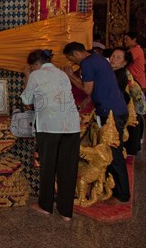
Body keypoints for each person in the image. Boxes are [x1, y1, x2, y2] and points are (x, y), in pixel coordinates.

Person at [63, 42, 130, 203]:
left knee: (113, 151)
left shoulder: (87, 63)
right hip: (114, 109)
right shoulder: (97, 58)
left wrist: (71, 76)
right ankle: (116, 188)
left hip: (111, 113)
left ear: (76, 54)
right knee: (110, 151)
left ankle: (123, 192)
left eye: (70, 58)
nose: (72, 62)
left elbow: (87, 89)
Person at [20, 49, 80, 221]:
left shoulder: (36, 75)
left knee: (48, 166)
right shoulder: (62, 74)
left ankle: (45, 206)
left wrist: (27, 76)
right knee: (68, 168)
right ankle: (66, 212)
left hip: (49, 126)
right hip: (71, 126)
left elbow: (26, 100)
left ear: (34, 65)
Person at [109, 47, 144, 154]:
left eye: (118, 57)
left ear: (125, 62)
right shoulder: (112, 72)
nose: (114, 59)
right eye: (113, 56)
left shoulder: (121, 75)